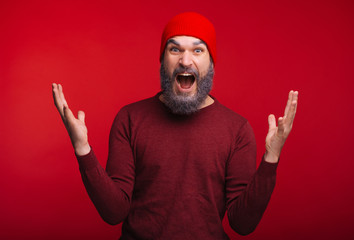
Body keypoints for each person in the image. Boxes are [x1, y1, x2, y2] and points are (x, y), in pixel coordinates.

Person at [52, 12, 298, 240]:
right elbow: (114, 212)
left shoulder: (237, 129)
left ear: (211, 63)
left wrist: (271, 158)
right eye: (175, 49)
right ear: (162, 60)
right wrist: (82, 148)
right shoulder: (130, 119)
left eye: (198, 50)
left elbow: (242, 224)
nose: (185, 60)